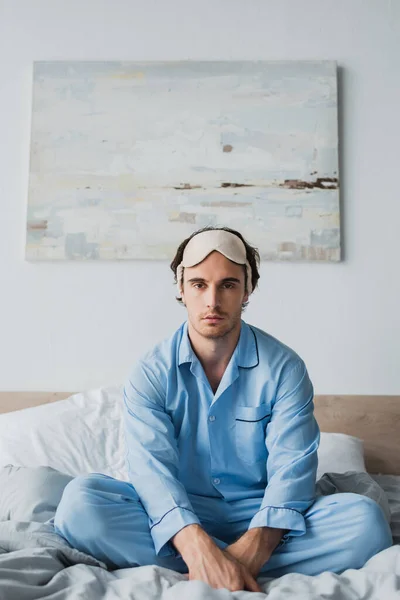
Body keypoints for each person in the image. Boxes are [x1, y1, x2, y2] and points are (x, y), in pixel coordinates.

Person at [54, 226, 392, 593]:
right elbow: (152, 474)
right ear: (181, 289)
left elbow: (291, 471)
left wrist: (255, 546)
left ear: (248, 290)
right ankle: (209, 561)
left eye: (228, 285)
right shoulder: (150, 372)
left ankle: (221, 566)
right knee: (79, 506)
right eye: (199, 284)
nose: (212, 300)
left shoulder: (284, 368)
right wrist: (193, 542)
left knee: (365, 521)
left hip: (264, 521)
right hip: (176, 519)